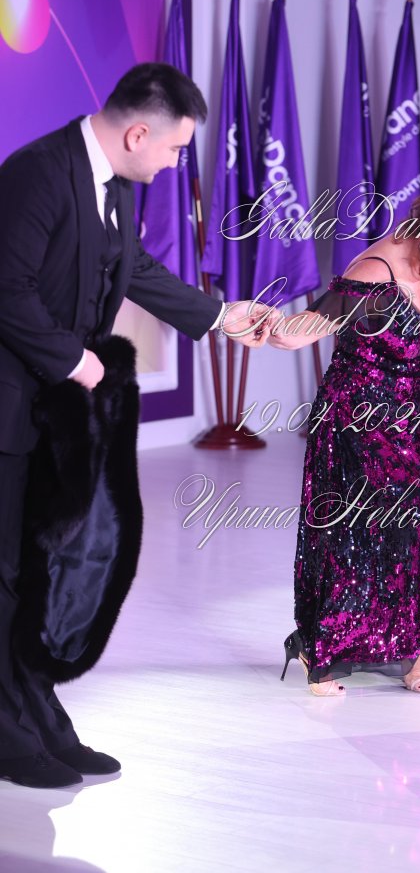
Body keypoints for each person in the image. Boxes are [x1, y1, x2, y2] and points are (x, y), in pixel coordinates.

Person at [0, 62, 260, 789]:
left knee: (33, 573)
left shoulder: (113, 182)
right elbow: (5, 287)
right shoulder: (36, 172)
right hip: (8, 408)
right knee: (4, 573)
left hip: (53, 414)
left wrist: (220, 315)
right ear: (139, 133)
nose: (176, 163)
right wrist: (75, 361)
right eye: (176, 149)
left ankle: (38, 721)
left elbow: (131, 266)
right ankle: (9, 735)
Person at [259, 185, 420, 696]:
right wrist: (258, 321)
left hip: (403, 430)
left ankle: (358, 648)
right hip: (354, 424)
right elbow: (297, 333)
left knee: (378, 538)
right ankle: (395, 653)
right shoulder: (373, 274)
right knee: (419, 529)